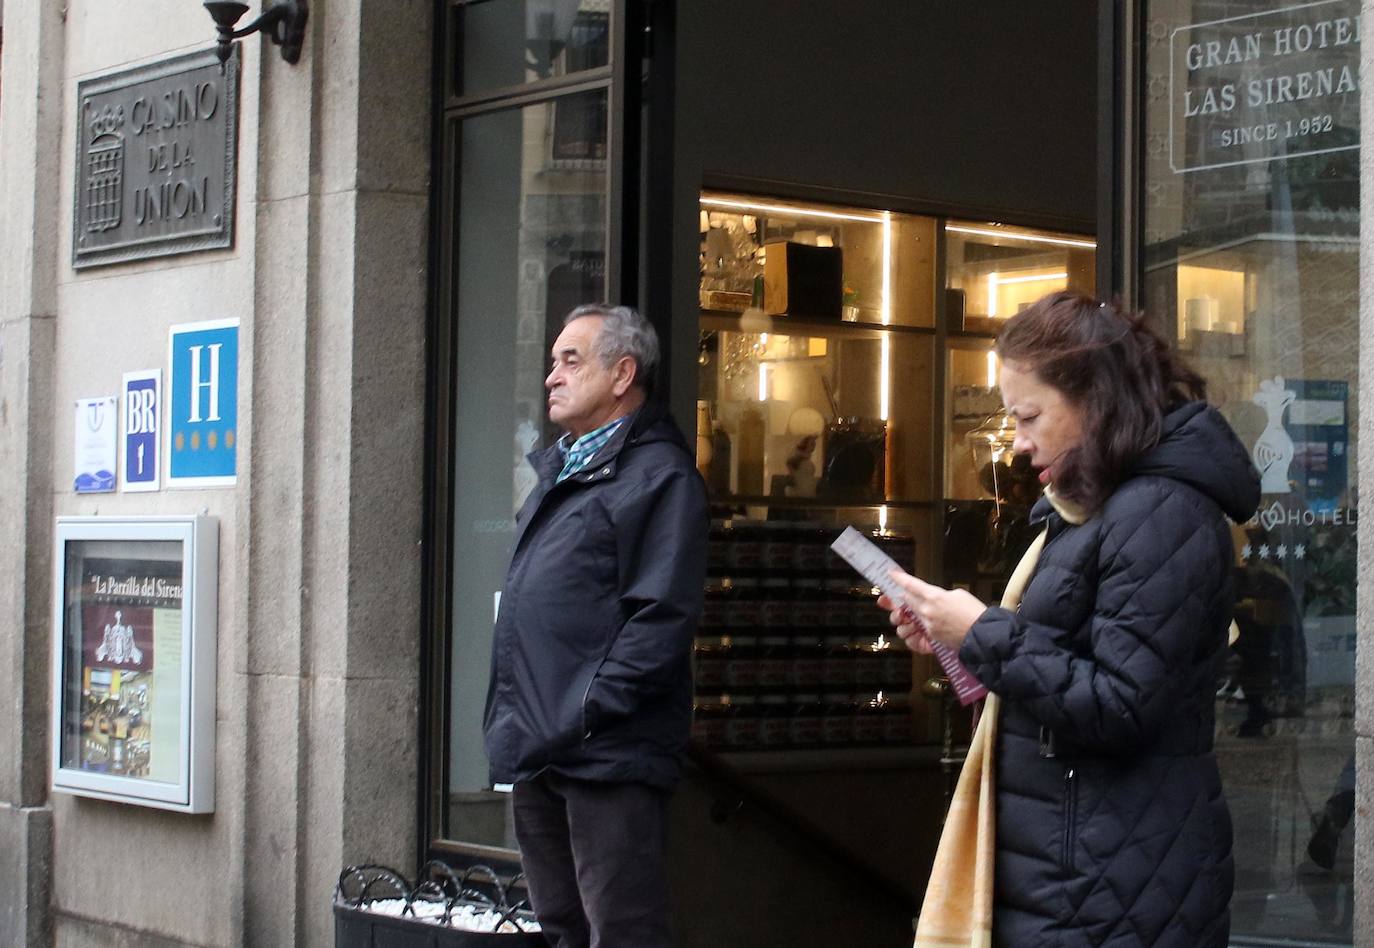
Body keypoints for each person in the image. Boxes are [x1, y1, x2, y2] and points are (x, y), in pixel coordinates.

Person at [881, 291, 1260, 946]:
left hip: (1108, 879)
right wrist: (955, 643)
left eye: (1028, 416)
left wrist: (983, 634)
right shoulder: (1101, 503)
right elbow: (1060, 672)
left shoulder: (1159, 511)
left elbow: (1121, 705)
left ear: (1095, 400)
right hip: (1084, 866)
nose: (1019, 443)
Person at [483, 303, 707, 948]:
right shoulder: (562, 471)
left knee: (622, 930)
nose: (552, 375)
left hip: (607, 751)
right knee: (562, 928)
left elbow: (661, 620)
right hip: (543, 743)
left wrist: (587, 708)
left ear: (623, 373)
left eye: (571, 360)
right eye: (552, 361)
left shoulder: (661, 478)